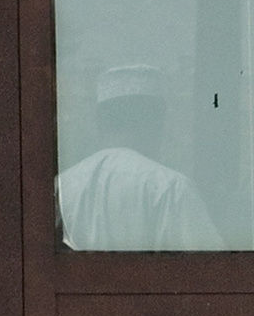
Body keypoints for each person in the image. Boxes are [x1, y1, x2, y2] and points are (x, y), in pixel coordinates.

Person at [56, 65, 224, 251]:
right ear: (156, 121)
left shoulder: (64, 185)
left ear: (101, 122)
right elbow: (213, 268)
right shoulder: (171, 188)